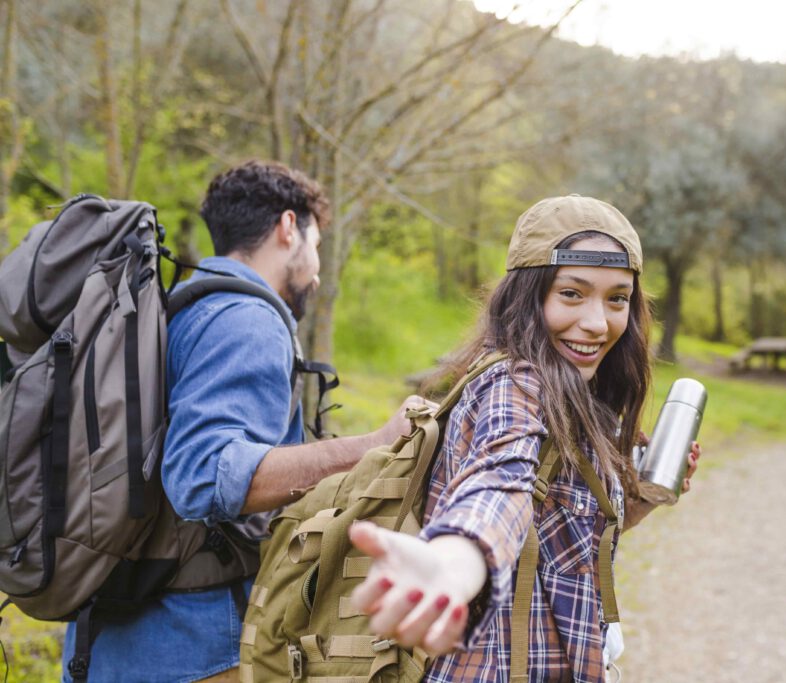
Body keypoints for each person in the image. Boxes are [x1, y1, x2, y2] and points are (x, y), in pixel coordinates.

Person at [62, 160, 417, 682]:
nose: (317, 271)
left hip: (116, 641)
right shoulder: (246, 318)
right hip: (195, 648)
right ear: (288, 227)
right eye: (316, 245)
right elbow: (203, 474)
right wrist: (376, 445)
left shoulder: (184, 307)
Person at [348, 194, 701, 681]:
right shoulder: (514, 385)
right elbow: (500, 484)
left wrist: (640, 497)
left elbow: (567, 545)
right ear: (528, 297)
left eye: (617, 298)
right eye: (572, 294)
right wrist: (455, 562)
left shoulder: (582, 395)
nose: (598, 322)